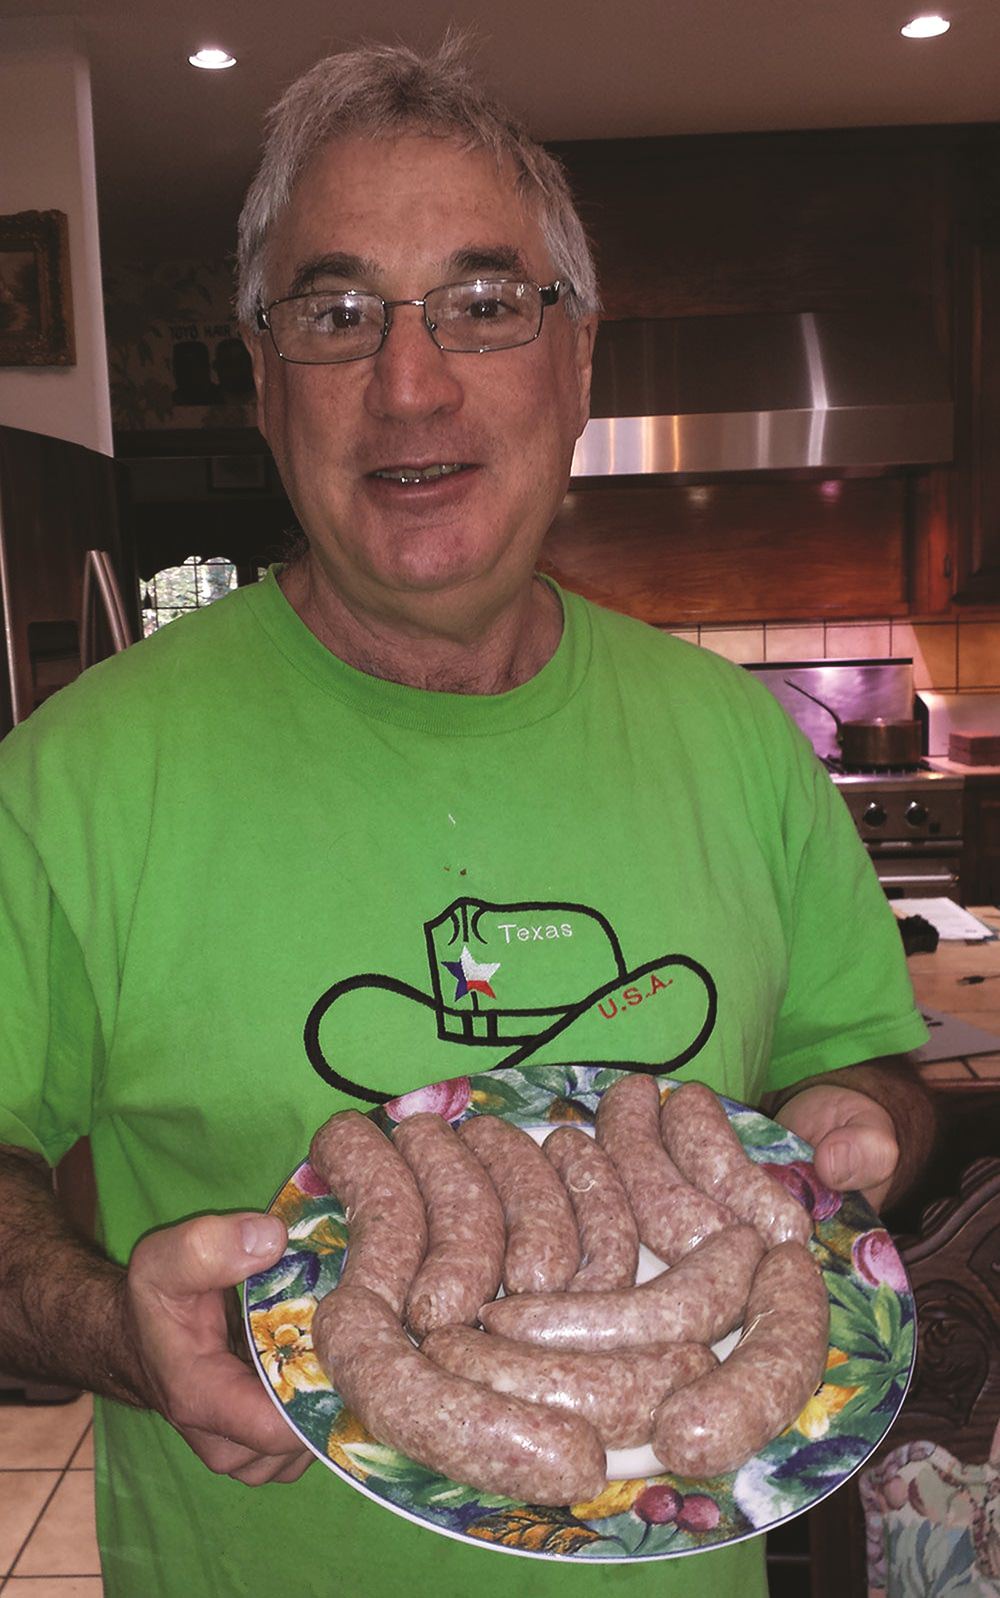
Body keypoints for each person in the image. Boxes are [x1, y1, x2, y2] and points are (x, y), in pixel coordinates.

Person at [0, 36, 934, 1598]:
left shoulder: (736, 741)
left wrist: (872, 1127)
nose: (408, 382)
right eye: (338, 311)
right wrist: (108, 1323)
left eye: (486, 304)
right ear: (263, 377)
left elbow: (870, 1066)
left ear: (579, 362)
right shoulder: (72, 778)